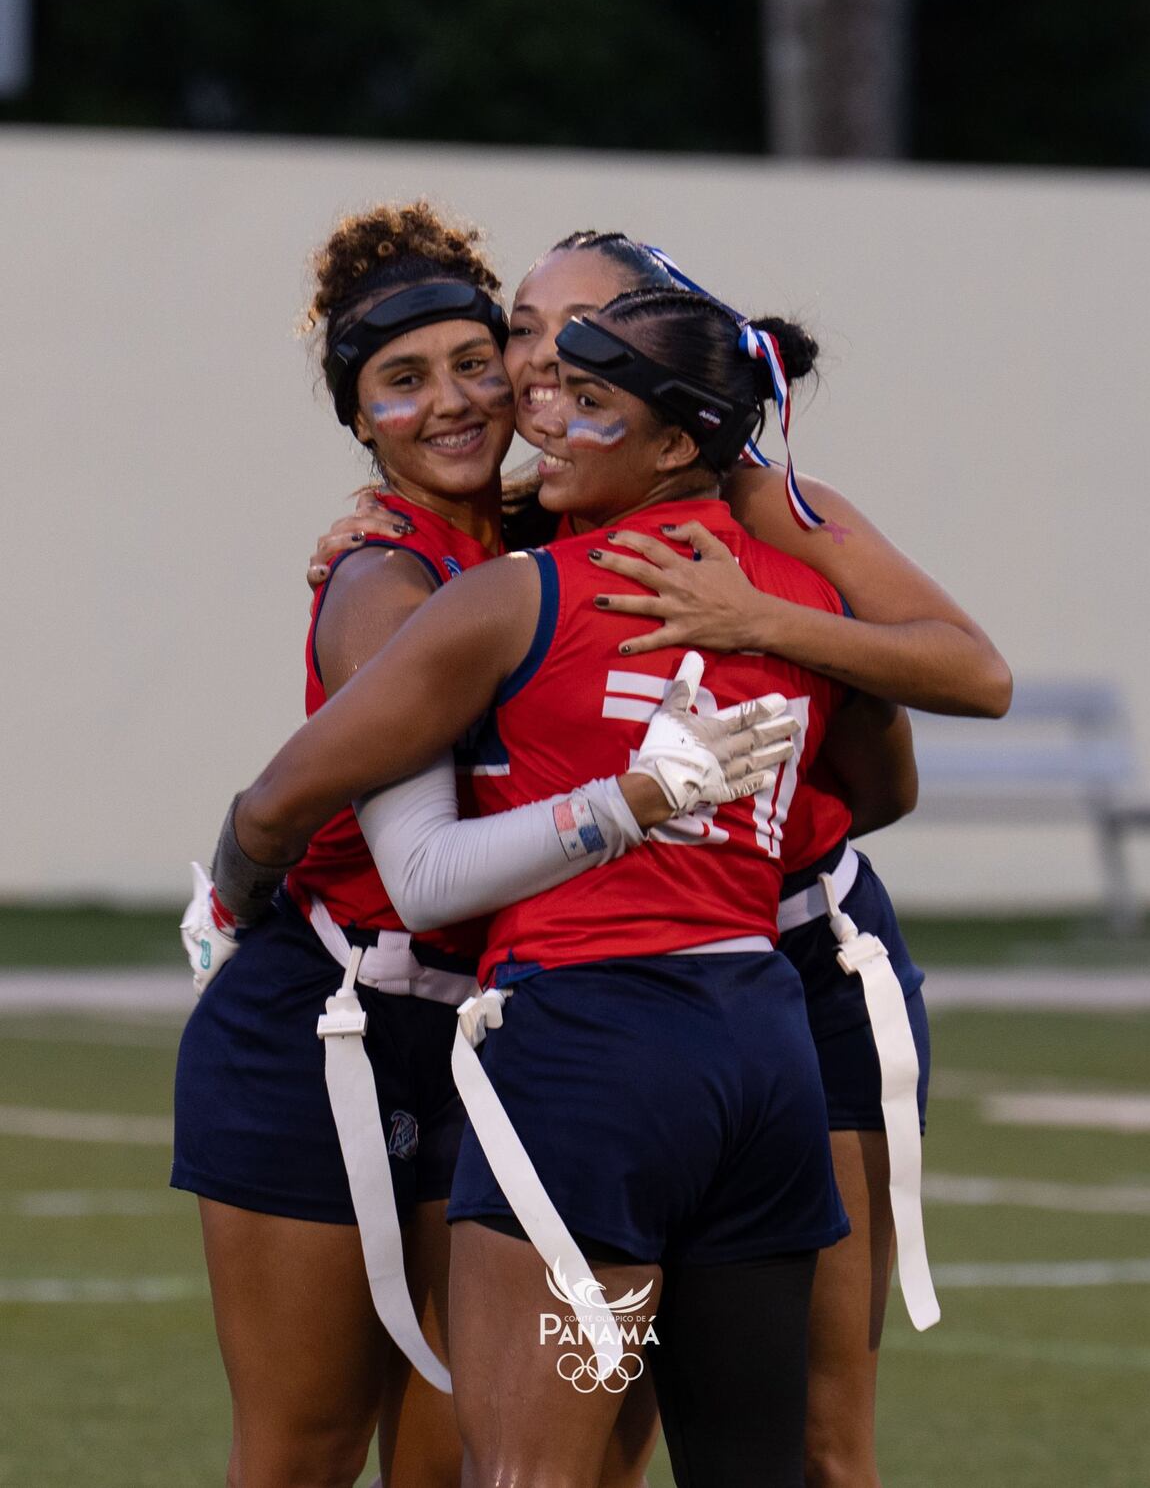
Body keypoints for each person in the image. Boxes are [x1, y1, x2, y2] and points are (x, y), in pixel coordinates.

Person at [308, 229, 1012, 1486]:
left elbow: (959, 693)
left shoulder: (760, 506)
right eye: (525, 330)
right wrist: (392, 543)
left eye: (582, 343)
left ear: (671, 399)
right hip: (664, 1015)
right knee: (607, 1426)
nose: (537, 367)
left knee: (805, 1435)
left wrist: (765, 621)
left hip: (788, 966)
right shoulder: (539, 524)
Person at [202, 285, 861, 1488]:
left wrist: (630, 805)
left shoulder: (523, 581)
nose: (533, 412)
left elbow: (344, 839)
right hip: (745, 1040)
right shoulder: (802, 588)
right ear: (357, 421)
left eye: (574, 393)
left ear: (673, 440)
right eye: (405, 380)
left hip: (578, 1052)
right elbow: (893, 767)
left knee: (520, 1469)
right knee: (756, 1461)